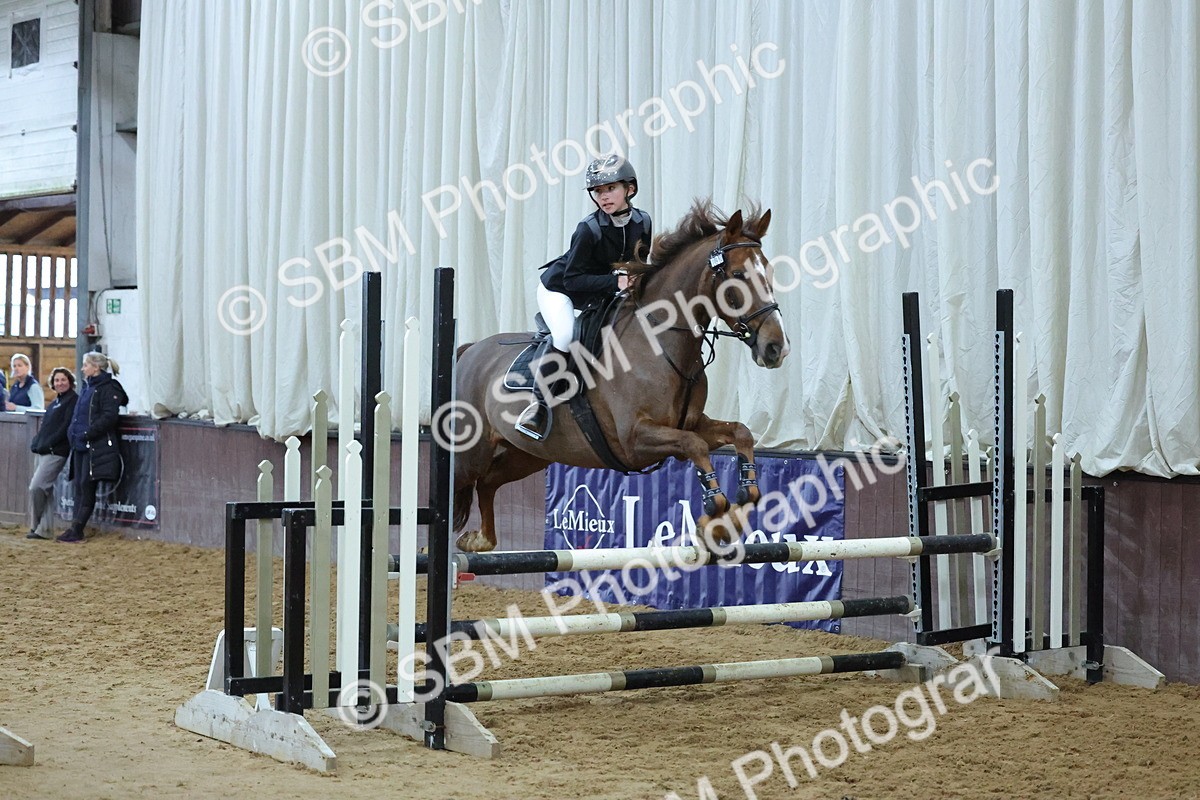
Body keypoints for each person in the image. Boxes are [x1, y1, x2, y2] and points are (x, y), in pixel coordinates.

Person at [515, 154, 652, 440]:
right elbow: (572, 279)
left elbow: (637, 263)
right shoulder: (588, 229)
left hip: (601, 291)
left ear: (630, 189)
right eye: (598, 191)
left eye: (610, 188)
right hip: (561, 290)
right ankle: (537, 408)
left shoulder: (643, 222)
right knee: (565, 335)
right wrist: (616, 282)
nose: (603, 196)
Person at [59, 352, 128, 543]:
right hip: (82, 444)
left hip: (94, 445)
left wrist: (88, 433)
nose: (83, 369)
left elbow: (109, 416)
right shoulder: (89, 387)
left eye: (85, 365)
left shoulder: (107, 388)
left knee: (86, 486)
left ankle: (77, 528)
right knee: (79, 486)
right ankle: (75, 527)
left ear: (95, 367)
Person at [26, 368, 79, 540]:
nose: (59, 383)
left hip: (56, 451)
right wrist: (37, 442)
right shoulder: (55, 403)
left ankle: (37, 526)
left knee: (37, 486)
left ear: (70, 382)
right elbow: (46, 427)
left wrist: (48, 443)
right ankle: (43, 529)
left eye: (63, 380)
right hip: (43, 449)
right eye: (56, 380)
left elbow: (65, 427)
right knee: (45, 490)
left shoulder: (72, 401)